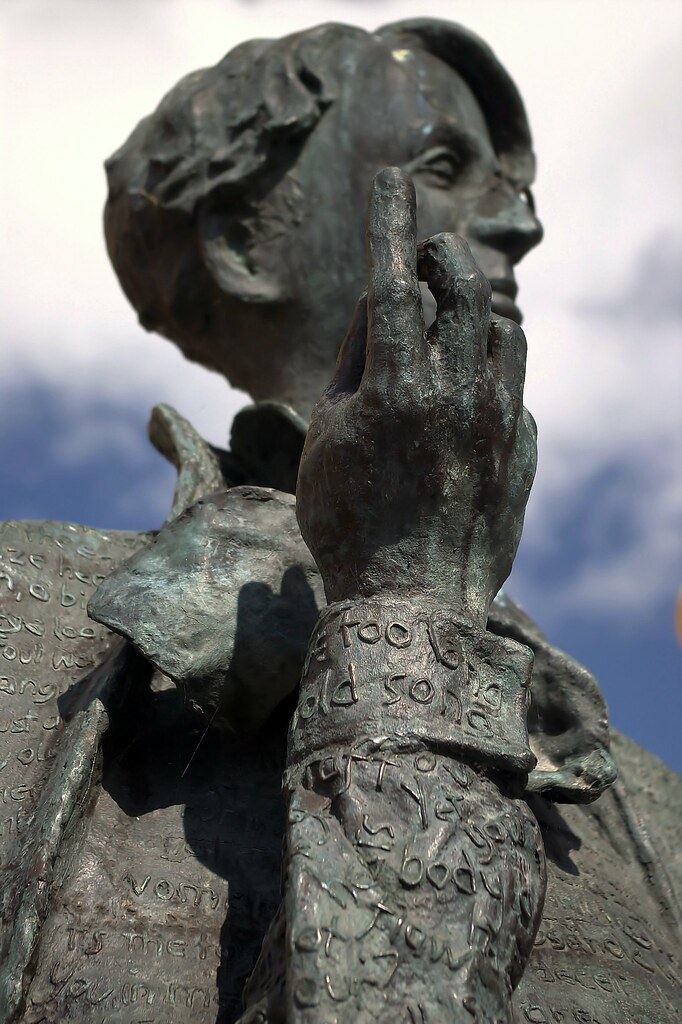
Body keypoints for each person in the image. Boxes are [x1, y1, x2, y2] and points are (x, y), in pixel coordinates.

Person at [0, 18, 679, 1024]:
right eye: (446, 165)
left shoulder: (646, 799)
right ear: (242, 248)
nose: (523, 224)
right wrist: (400, 597)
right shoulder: (24, 627)